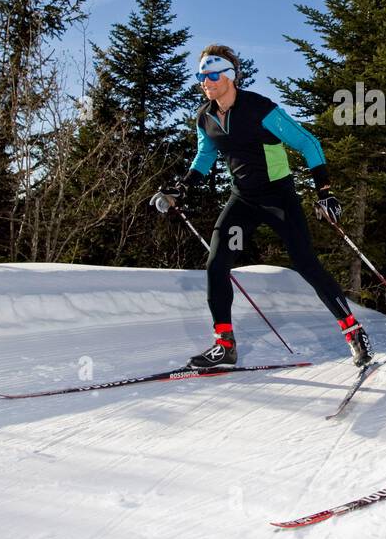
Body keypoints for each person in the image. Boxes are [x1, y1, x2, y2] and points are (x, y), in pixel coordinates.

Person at [149, 45, 373, 369]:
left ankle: (353, 331)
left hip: (279, 199)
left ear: (229, 75)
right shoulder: (205, 117)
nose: (205, 81)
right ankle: (225, 344)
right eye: (201, 76)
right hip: (244, 200)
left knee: (306, 264)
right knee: (217, 263)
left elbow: (308, 143)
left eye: (212, 74)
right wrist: (181, 187)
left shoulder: (260, 109)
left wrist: (324, 191)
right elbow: (205, 156)